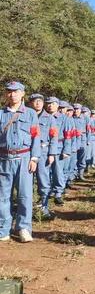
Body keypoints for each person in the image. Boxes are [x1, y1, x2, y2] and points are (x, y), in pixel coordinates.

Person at [0, 82, 41, 243]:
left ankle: (23, 228)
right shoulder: (1, 114)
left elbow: (36, 137)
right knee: (3, 196)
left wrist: (34, 158)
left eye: (16, 92)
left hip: (24, 159)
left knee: (24, 196)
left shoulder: (30, 114)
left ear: (22, 94)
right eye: (9, 92)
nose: (12, 95)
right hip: (4, 159)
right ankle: (3, 228)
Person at [29, 93, 57, 218]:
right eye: (35, 101)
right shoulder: (26, 115)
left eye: (40, 101)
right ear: (30, 103)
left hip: (43, 152)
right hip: (27, 152)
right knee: (27, 182)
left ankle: (44, 207)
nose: (38, 103)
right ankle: (27, 207)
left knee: (43, 180)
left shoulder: (49, 118)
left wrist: (52, 153)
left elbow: (54, 136)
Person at [46, 97, 73, 206]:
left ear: (57, 105)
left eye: (52, 103)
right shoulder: (43, 116)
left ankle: (58, 193)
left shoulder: (64, 118)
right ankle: (47, 192)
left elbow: (68, 135)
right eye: (48, 103)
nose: (50, 105)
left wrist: (66, 150)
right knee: (46, 173)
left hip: (59, 147)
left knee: (58, 172)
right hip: (45, 148)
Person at [73, 103, 88, 180]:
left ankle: (81, 173)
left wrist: (88, 140)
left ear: (80, 110)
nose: (76, 111)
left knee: (82, 157)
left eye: (77, 109)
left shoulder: (85, 118)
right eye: (74, 109)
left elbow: (88, 130)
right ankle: (75, 174)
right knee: (74, 158)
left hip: (83, 139)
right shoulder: (70, 118)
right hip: (74, 140)